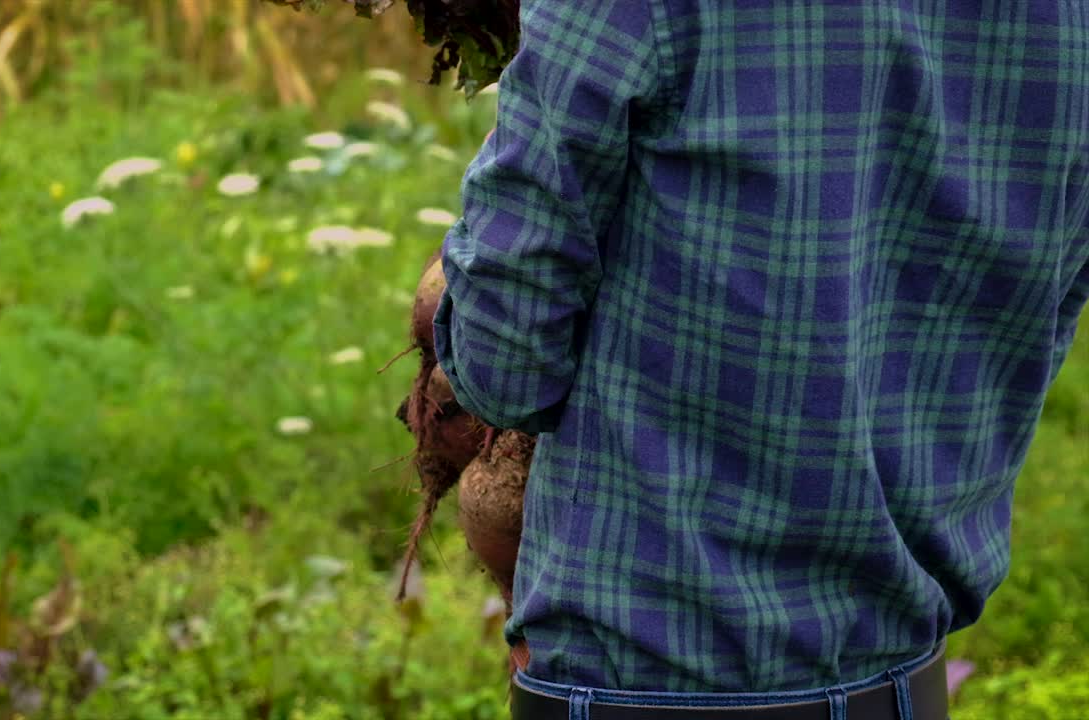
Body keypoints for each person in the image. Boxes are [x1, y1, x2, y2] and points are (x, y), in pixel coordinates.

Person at [432, 0, 1089, 718]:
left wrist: (459, 271)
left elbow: (507, 366)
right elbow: (1046, 316)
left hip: (649, 677)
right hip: (904, 680)